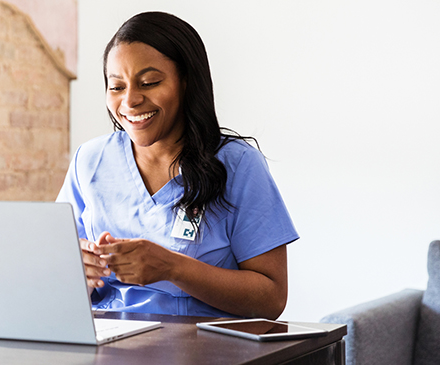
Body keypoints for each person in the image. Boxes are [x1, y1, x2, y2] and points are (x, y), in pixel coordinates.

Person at [56, 11, 298, 319]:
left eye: (149, 82)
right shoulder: (90, 161)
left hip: (203, 348)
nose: (129, 101)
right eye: (116, 87)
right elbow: (57, 278)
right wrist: (81, 271)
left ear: (186, 82)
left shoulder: (237, 164)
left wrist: (172, 268)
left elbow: (271, 299)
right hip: (110, 344)